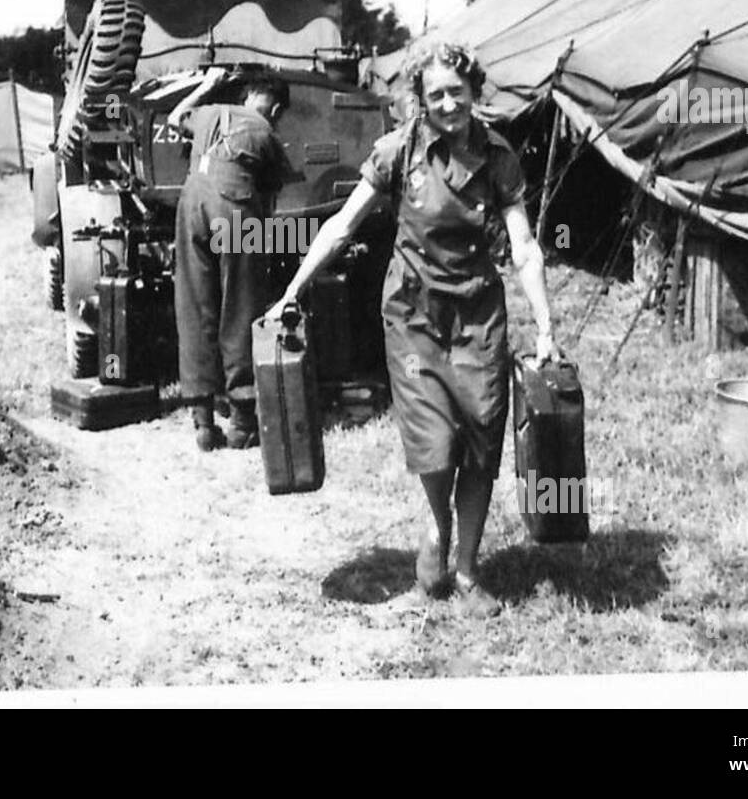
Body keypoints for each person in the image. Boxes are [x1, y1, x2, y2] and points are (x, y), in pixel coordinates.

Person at [266, 43, 561, 613]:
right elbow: (342, 225)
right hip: (413, 315)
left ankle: (470, 572)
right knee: (436, 441)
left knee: (479, 439)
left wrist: (546, 326)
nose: (449, 103)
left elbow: (524, 248)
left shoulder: (498, 158)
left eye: (457, 91)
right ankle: (436, 527)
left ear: (474, 91)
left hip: (477, 316)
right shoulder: (398, 151)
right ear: (420, 102)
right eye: (436, 95)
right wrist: (292, 290)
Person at [169, 67, 293, 451]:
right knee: (241, 307)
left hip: (190, 206)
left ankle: (203, 422)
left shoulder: (209, 112)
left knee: (195, 306)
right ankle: (241, 421)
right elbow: (270, 199)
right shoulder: (267, 133)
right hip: (235, 210)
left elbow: (175, 118)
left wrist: (206, 85)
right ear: (274, 109)